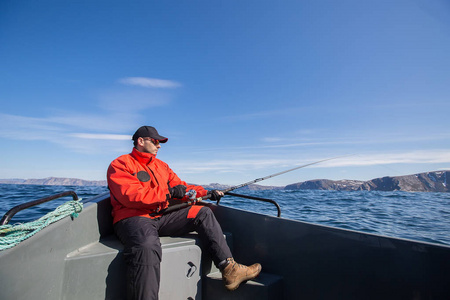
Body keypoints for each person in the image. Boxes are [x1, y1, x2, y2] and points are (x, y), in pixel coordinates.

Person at [107, 125, 261, 300]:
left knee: (202, 213)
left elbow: (181, 187)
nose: (159, 146)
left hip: (160, 216)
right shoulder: (120, 164)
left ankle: (229, 269)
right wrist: (169, 193)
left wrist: (206, 193)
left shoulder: (162, 166)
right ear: (141, 141)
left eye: (160, 143)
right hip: (133, 218)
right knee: (148, 246)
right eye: (156, 141)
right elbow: (132, 196)